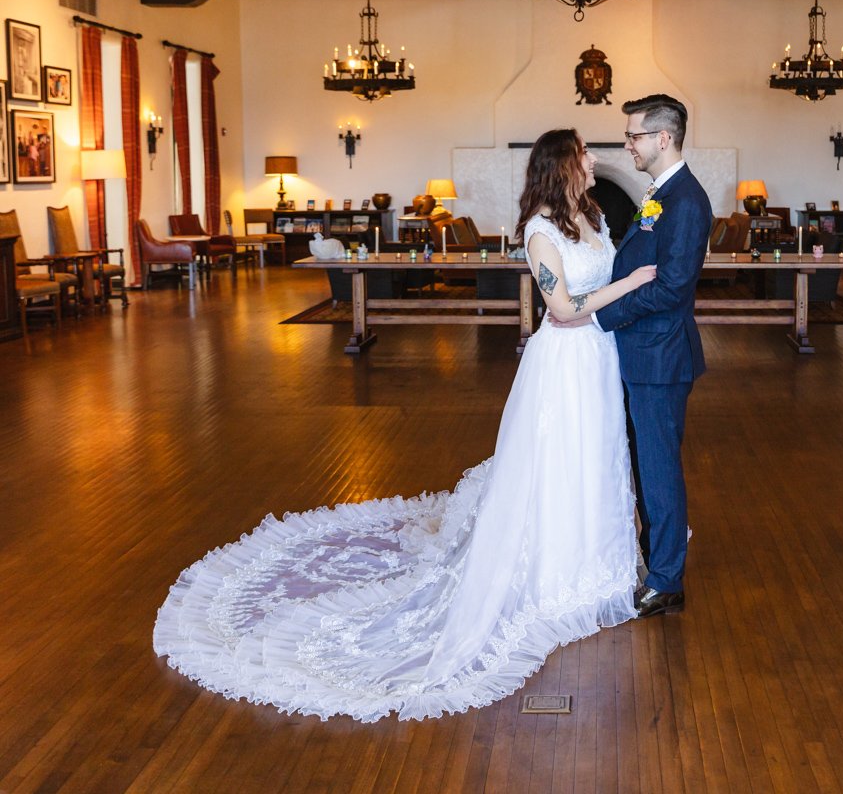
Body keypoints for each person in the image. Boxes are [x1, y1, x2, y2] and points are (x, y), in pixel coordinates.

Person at [153, 128, 655, 722]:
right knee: (559, 462)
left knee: (596, 459)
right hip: (566, 362)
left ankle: (599, 565)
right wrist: (629, 285)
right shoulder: (541, 231)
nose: (595, 159)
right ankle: (553, 573)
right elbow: (563, 310)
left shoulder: (591, 216)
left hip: (600, 358)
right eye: (585, 153)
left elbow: (601, 277)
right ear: (562, 165)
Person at [593, 95, 712, 618]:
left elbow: (673, 289)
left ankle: (666, 580)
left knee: (659, 469)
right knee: (644, 465)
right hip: (643, 353)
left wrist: (605, 314)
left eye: (633, 136)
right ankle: (652, 558)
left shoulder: (686, 201)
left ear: (663, 138)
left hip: (660, 358)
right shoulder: (663, 193)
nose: (627, 145)